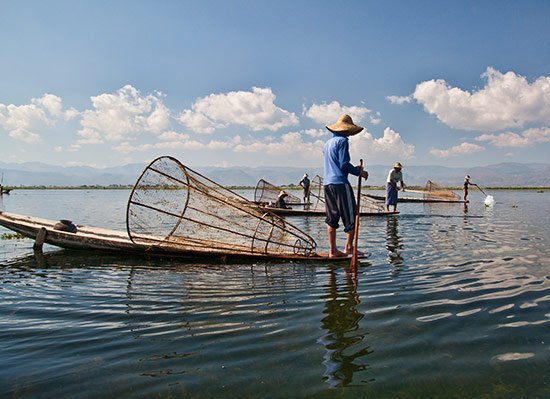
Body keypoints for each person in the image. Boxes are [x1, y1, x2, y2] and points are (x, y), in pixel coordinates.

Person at [323, 114, 369, 258]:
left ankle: (333, 251)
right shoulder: (342, 141)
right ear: (346, 130)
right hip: (340, 184)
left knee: (332, 217)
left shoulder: (327, 144)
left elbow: (337, 165)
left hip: (328, 184)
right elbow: (343, 165)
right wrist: (359, 172)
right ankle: (349, 247)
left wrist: (353, 169)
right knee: (352, 215)